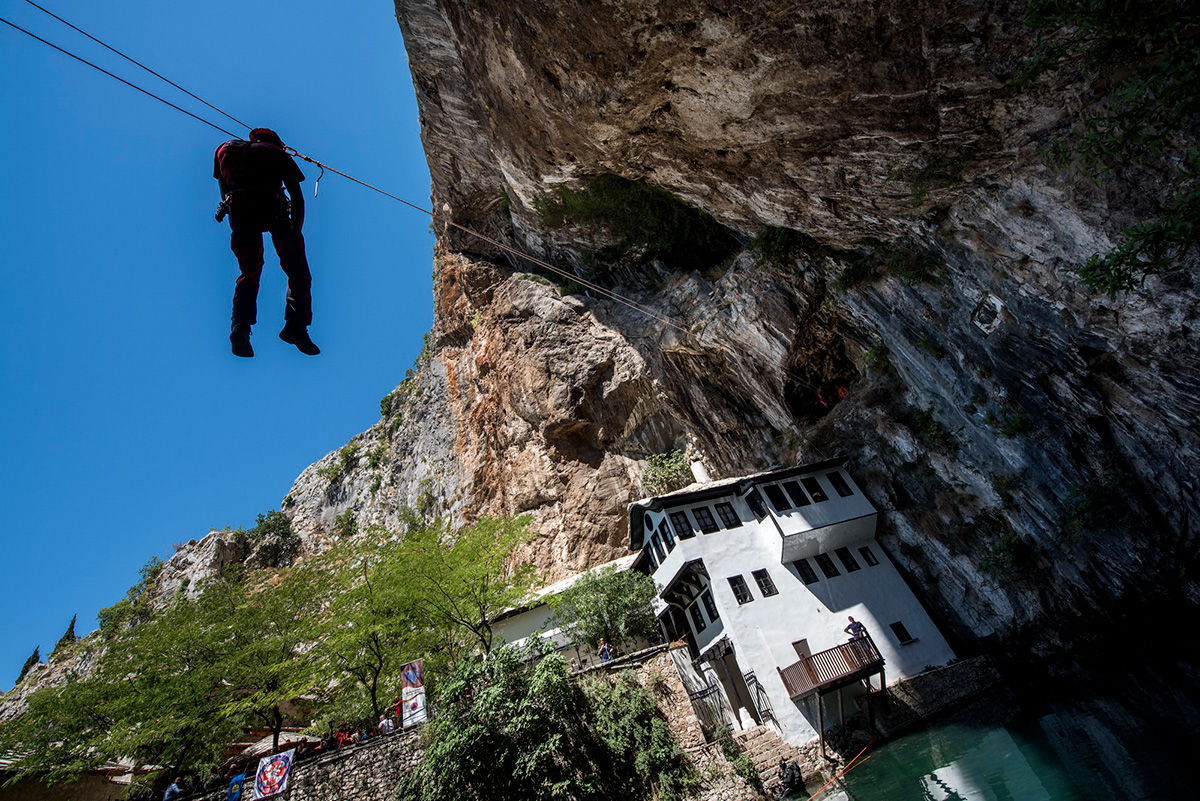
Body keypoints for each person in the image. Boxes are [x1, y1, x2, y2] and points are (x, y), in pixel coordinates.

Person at [213, 128, 319, 358]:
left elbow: (224, 188)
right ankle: (296, 326)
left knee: (249, 272)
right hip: (272, 212)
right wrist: (295, 232)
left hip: (241, 215)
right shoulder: (277, 153)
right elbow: (297, 196)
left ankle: (240, 326)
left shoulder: (224, 150)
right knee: (298, 272)